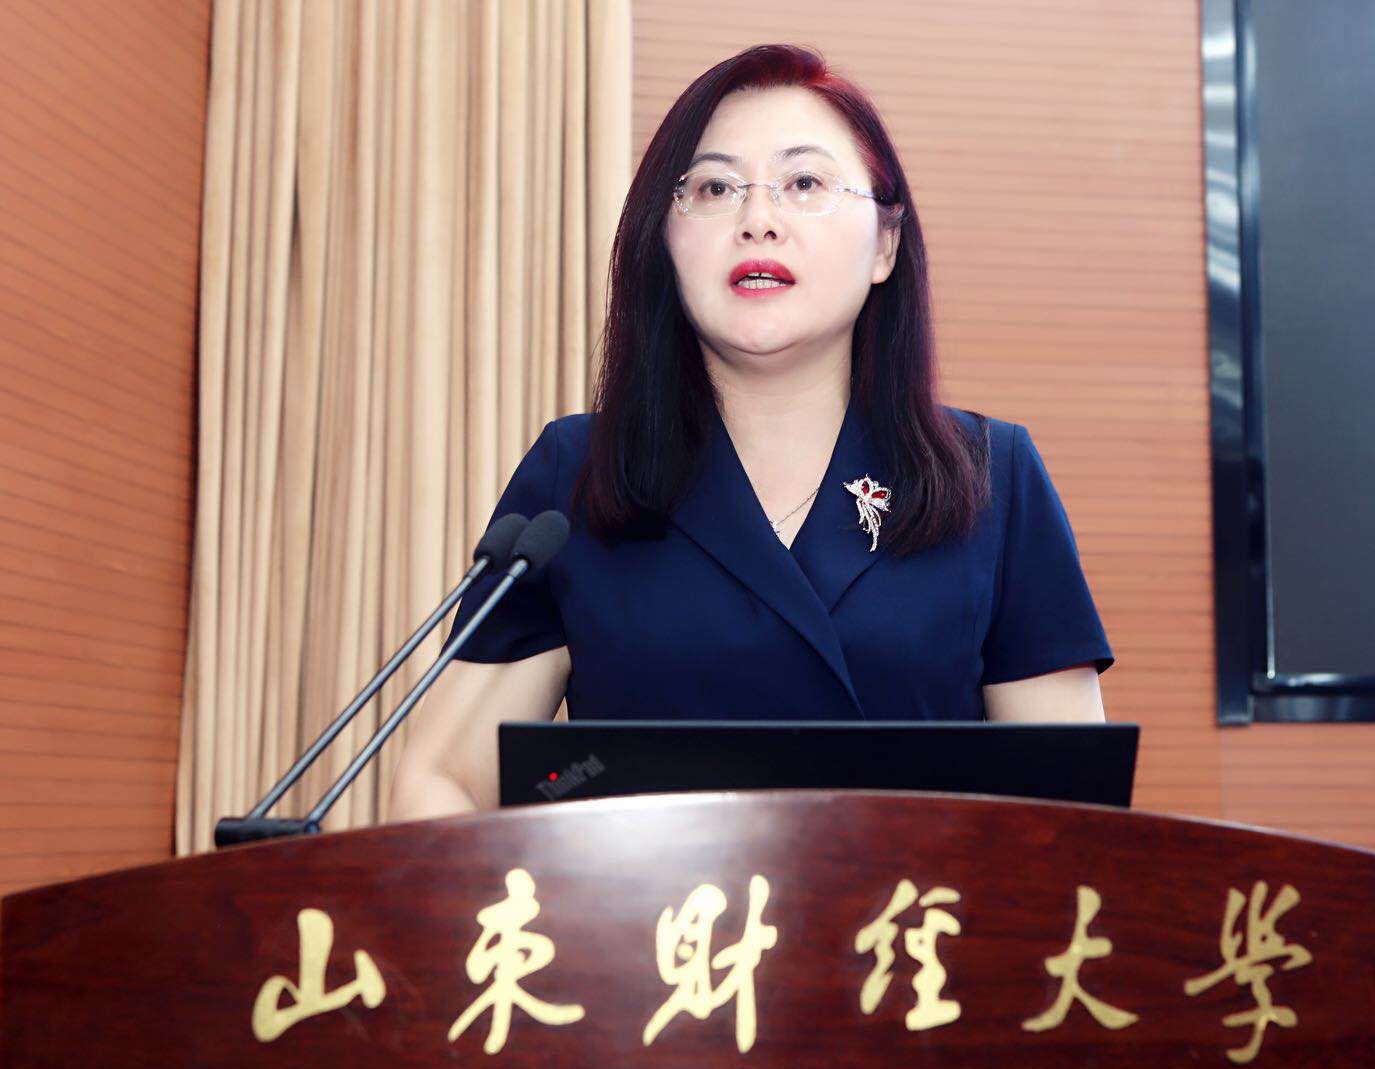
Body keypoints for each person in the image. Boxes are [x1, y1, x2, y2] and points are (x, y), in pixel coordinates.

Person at [387, 44, 1113, 822]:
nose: (757, 221)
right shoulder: (578, 477)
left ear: (885, 244)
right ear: (664, 242)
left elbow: (1071, 815)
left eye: (804, 183)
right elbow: (444, 781)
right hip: (653, 906)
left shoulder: (992, 478)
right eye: (714, 187)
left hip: (905, 904)